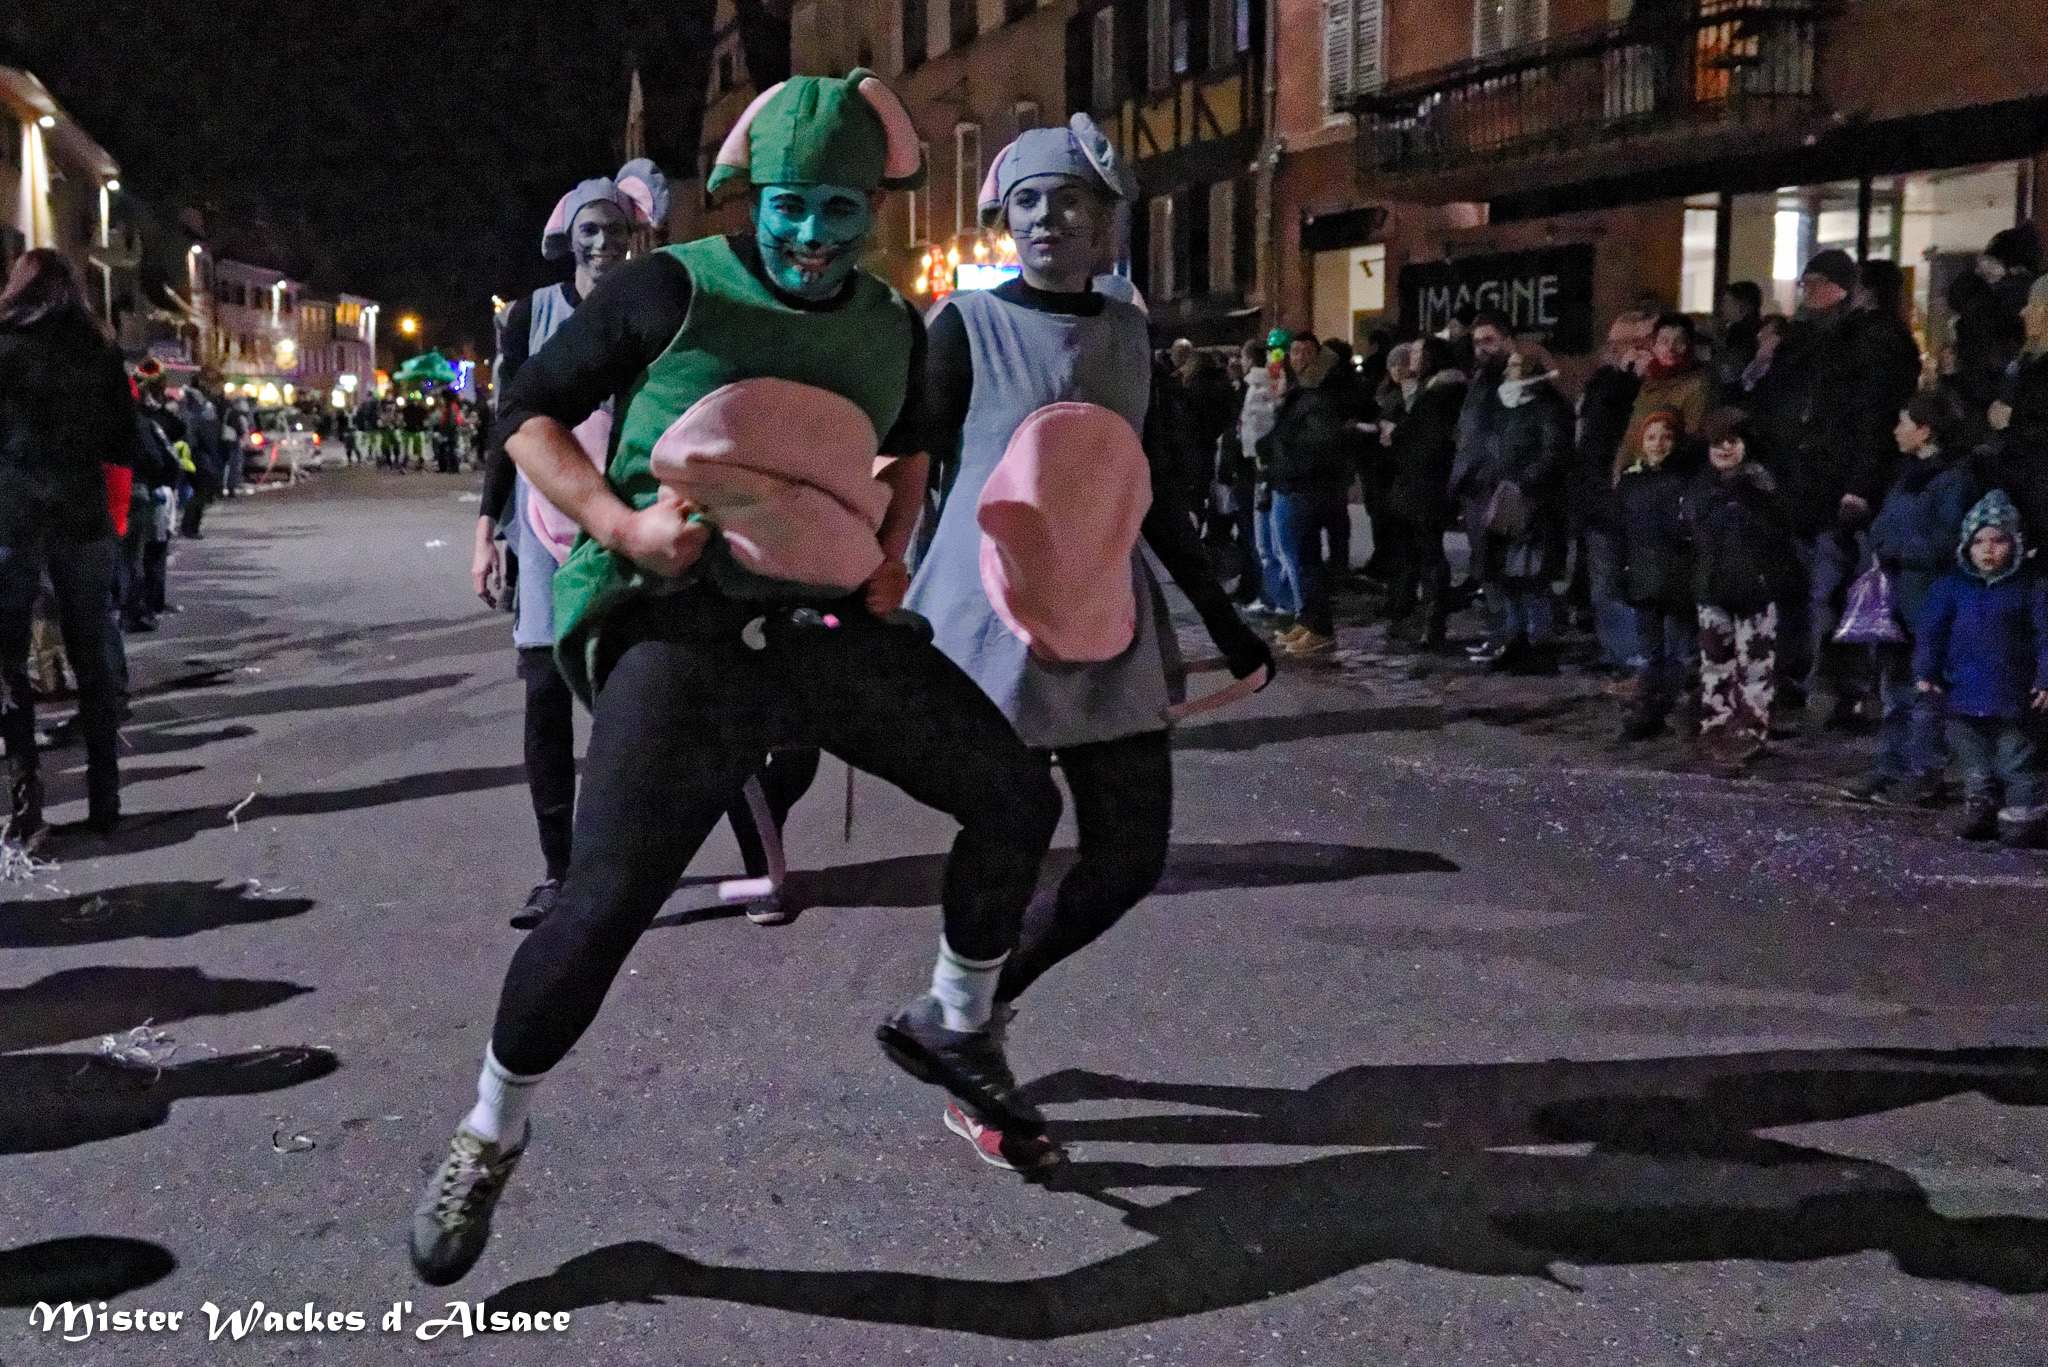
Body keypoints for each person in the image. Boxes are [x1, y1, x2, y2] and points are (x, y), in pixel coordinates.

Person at [409, 70, 1067, 1286]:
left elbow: (908, 442)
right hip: (685, 633)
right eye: (789, 207)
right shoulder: (671, 286)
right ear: (748, 197)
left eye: (837, 209)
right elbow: (528, 414)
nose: (811, 236)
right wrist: (620, 523)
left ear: (872, 206)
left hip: (818, 629)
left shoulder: (885, 320)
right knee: (600, 903)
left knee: (1016, 796)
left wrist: (891, 556)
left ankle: (955, 1021)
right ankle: (490, 1127)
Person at [905, 112, 1271, 1167]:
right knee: (1006, 841)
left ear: (1109, 223)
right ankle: (968, 1043)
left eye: (1070, 199)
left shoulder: (1125, 337)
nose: (1047, 217)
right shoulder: (961, 328)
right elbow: (905, 471)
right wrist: (862, 582)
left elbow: (1148, 494)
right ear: (1002, 220)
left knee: (1126, 855)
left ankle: (961, 1009)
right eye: (1027, 200)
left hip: (1104, 620)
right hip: (987, 625)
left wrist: (1223, 618)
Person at [473, 158, 672, 931]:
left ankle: (626, 863)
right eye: (590, 231)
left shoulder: (653, 305)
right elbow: (508, 427)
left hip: (634, 526)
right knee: (547, 699)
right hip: (546, 531)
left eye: (616, 231)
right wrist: (486, 530)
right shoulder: (529, 317)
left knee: (636, 704)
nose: (603, 245)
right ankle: (559, 869)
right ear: (569, 237)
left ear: (633, 235)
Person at [0, 250, 137, 847]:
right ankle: (105, 802)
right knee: (91, 652)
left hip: (12, 513)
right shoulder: (98, 348)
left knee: (9, 664)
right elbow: (125, 442)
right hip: (81, 512)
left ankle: (27, 804)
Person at [1845, 392, 1979, 805]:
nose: (1896, 430)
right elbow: (1884, 529)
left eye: (1903, 422)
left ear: (1924, 430)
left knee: (1925, 692)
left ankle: (1924, 772)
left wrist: (1898, 550)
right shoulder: (1907, 475)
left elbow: (1949, 541)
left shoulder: (1953, 479)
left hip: (1928, 600)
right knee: (1895, 692)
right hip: (1898, 601)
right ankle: (1890, 768)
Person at [1914, 490, 2048, 846]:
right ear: (1967, 546)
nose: (1988, 550)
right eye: (1979, 541)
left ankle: (2025, 818)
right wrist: (1927, 673)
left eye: (1998, 540)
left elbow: (2045, 635)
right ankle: (1981, 812)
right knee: (1974, 760)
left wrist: (2045, 679)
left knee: (2016, 759)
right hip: (1961, 691)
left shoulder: (2031, 587)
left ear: (2014, 544)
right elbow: (1932, 634)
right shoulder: (1951, 587)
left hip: (2013, 694)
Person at [1686, 409, 1792, 765]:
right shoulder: (1700, 486)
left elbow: (1776, 534)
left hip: (1754, 590)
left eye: (1733, 441)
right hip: (1712, 588)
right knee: (1714, 664)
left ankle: (1750, 729)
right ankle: (1715, 725)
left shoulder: (1762, 486)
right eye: (1718, 442)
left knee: (1755, 666)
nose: (1725, 448)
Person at [1259, 335, 1355, 656]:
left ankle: (1318, 626)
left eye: (1306, 353)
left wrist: (1280, 454)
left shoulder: (1318, 397)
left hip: (1301, 488)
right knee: (1297, 558)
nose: (1298, 358)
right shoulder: (1302, 393)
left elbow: (1315, 445)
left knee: (1302, 559)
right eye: (1294, 352)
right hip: (1293, 485)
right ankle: (1308, 618)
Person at [1481, 345, 1572, 674]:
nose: (1508, 372)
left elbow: (1552, 455)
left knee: (1531, 577)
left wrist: (1523, 483)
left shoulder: (1548, 409)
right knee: (1508, 576)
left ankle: (1539, 645)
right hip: (1505, 499)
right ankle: (1515, 640)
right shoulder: (1506, 405)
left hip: (1533, 504)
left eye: (1516, 366)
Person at [1573, 313, 1653, 672]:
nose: (1622, 351)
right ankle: (1616, 651)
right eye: (1618, 344)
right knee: (1603, 583)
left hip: (1625, 495)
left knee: (1622, 583)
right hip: (1596, 493)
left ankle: (1632, 654)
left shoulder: (1641, 384)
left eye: (1634, 344)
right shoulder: (1607, 381)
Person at [1616, 410, 1696, 738]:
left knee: (1682, 652)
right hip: (1644, 577)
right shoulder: (1631, 480)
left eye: (1666, 437)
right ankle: (1650, 712)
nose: (1658, 444)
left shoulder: (1686, 480)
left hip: (1678, 579)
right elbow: (1620, 530)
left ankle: (1685, 711)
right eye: (1651, 437)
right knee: (1650, 653)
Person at [1383, 336, 1466, 648]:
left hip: (1427, 485)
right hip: (1415, 484)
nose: (1412, 357)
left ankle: (1434, 621)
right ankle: (1420, 615)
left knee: (1430, 553)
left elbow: (1431, 440)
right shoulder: (1429, 390)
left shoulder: (1442, 392)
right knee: (1418, 552)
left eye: (1417, 352)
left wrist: (1399, 435)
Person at [1448, 310, 1515, 659]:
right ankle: (1500, 633)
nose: (1482, 348)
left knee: (1502, 568)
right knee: (1486, 567)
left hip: (1495, 487)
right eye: (1477, 342)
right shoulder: (1481, 379)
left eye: (1489, 340)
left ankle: (1511, 637)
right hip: (1475, 486)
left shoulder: (1513, 378)